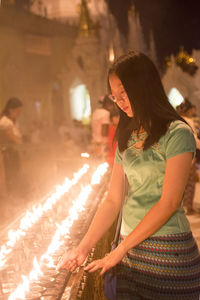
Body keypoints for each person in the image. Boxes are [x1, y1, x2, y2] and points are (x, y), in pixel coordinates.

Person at [58, 52, 200, 300]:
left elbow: (169, 202)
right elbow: (113, 200)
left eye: (123, 92)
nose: (119, 101)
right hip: (130, 257)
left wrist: (120, 249)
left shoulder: (178, 133)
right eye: (115, 95)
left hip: (168, 253)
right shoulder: (127, 136)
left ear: (143, 86)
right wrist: (82, 248)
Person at [176, 99, 200, 215]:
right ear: (189, 110)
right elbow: (194, 140)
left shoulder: (176, 120)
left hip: (177, 156)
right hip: (189, 155)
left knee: (181, 182)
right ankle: (188, 207)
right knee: (189, 183)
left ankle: (182, 206)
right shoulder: (188, 121)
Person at [0, 97, 23, 196]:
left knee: (16, 175)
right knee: (10, 177)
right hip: (8, 154)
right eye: (17, 111)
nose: (19, 113)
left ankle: (16, 195)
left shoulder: (13, 121)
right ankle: (12, 197)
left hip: (14, 153)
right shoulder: (4, 122)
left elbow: (19, 139)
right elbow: (13, 139)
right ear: (10, 109)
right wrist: (18, 140)